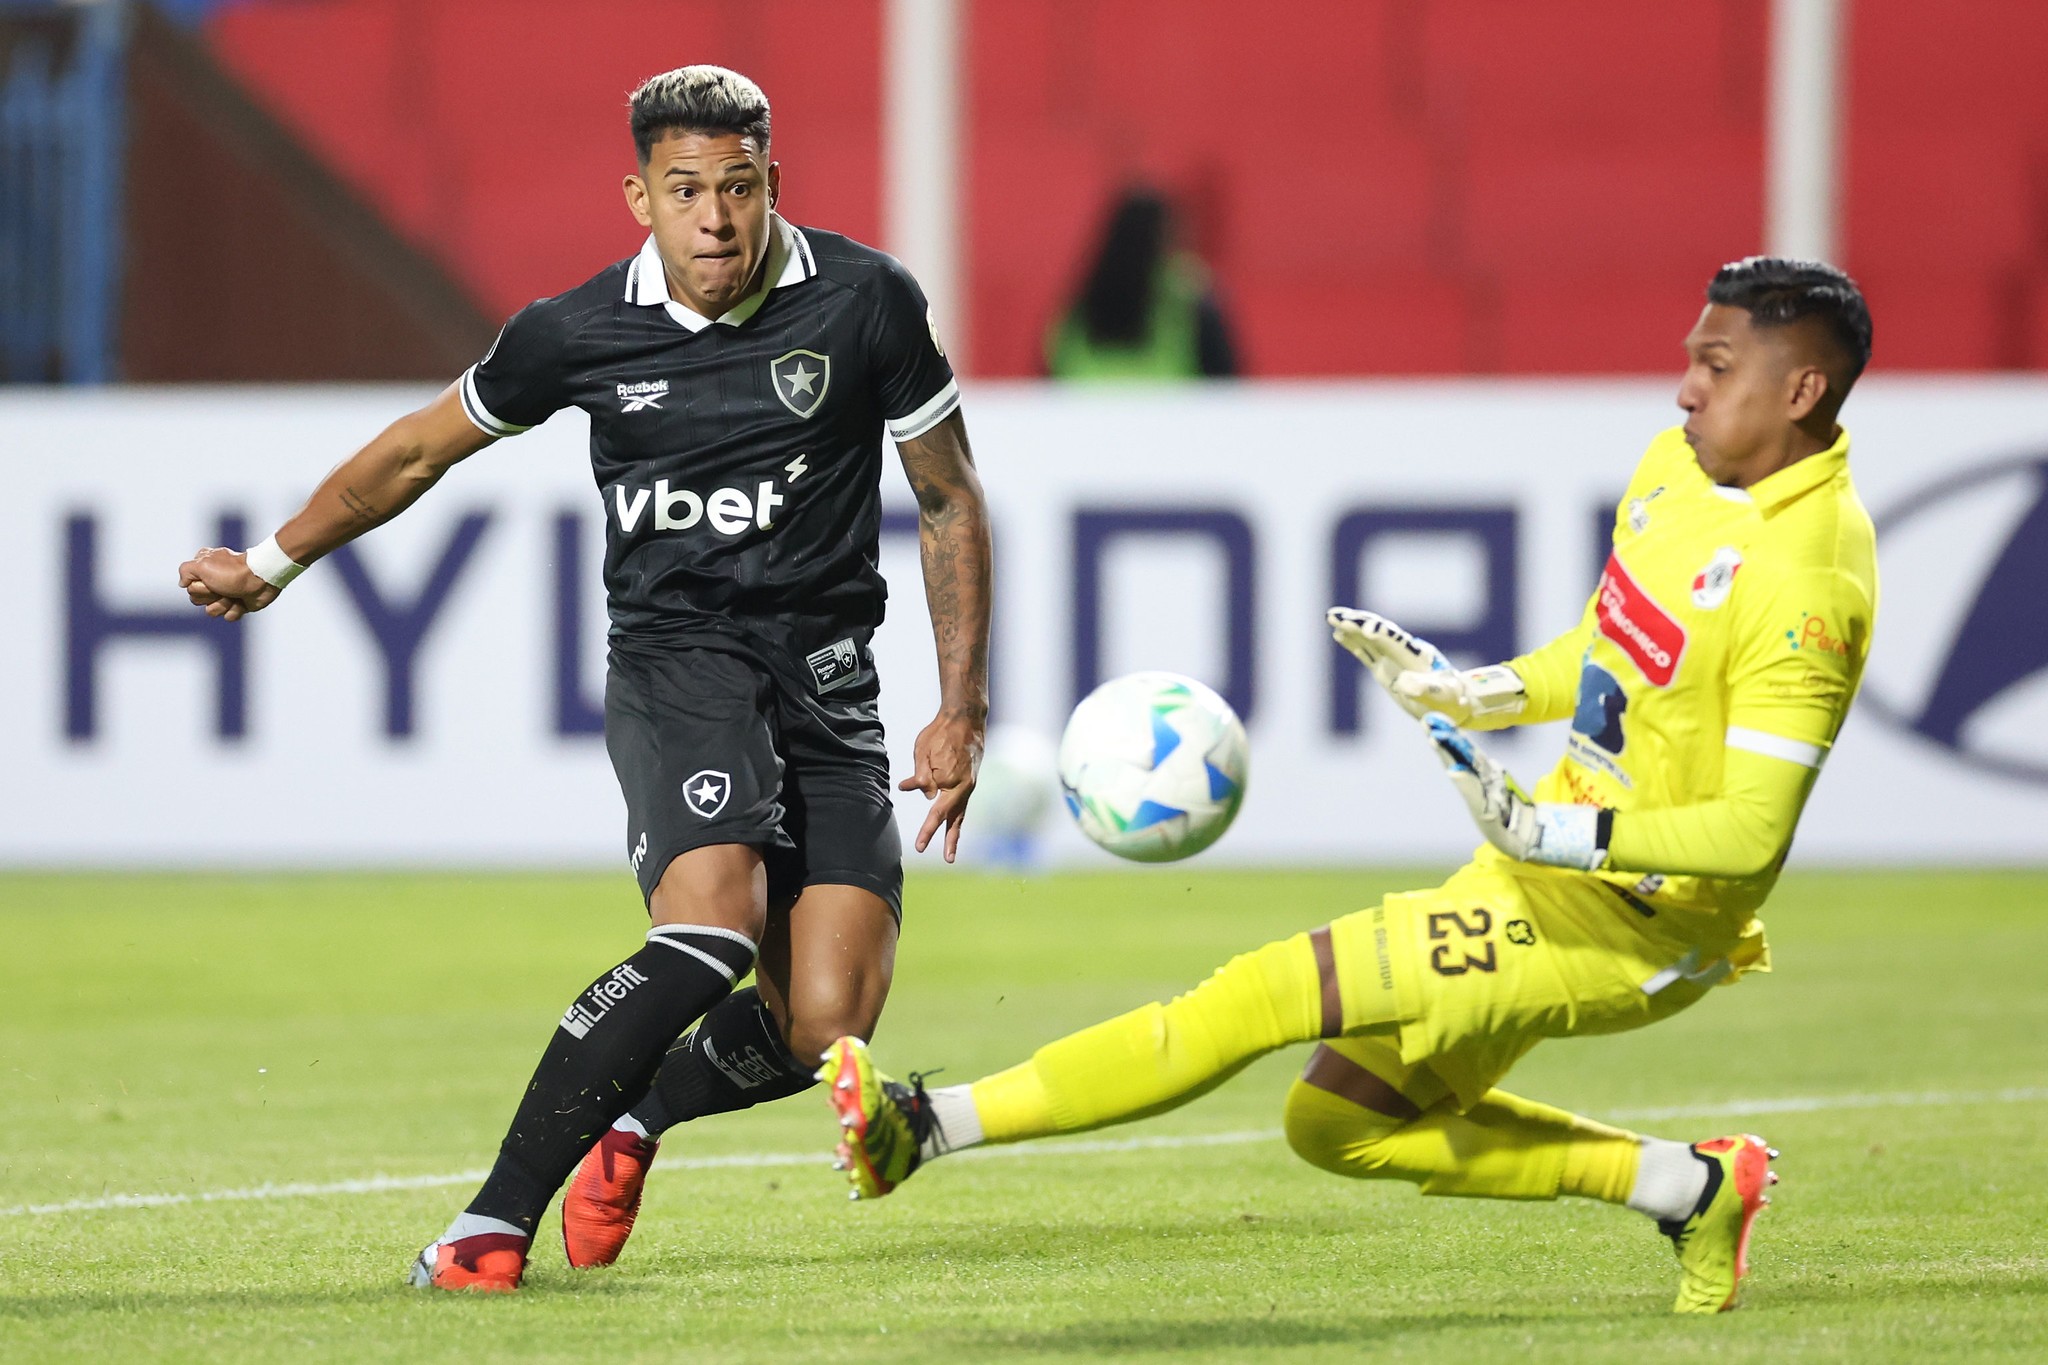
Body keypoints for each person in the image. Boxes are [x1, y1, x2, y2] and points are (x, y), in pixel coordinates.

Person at [822, 258, 1875, 1316]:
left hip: (1636, 925)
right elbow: (1615, 641)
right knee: (1338, 1123)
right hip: (1536, 878)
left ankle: (922, 1125)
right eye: (1692, 359)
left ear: (1799, 391)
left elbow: (1750, 833)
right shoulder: (1678, 468)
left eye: (1716, 367)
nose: (1686, 389)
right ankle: (1690, 1186)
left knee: (1256, 996)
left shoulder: (1810, 581)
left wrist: (1546, 830)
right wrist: (1477, 692)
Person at [176, 65, 992, 1293]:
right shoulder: (575, 332)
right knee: (711, 926)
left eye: (737, 187)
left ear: (774, 182)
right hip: (679, 663)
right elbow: (415, 453)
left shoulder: (866, 300)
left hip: (827, 680)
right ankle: (486, 1224)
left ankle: (639, 1113)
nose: (714, 219)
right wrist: (272, 562)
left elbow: (947, 497)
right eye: (685, 191)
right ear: (638, 198)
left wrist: (959, 705)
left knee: (826, 1025)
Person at [1046, 188, 1239, 380]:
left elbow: (1049, 377)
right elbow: (1225, 385)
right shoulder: (1191, 301)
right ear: (1167, 240)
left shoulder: (1075, 311)